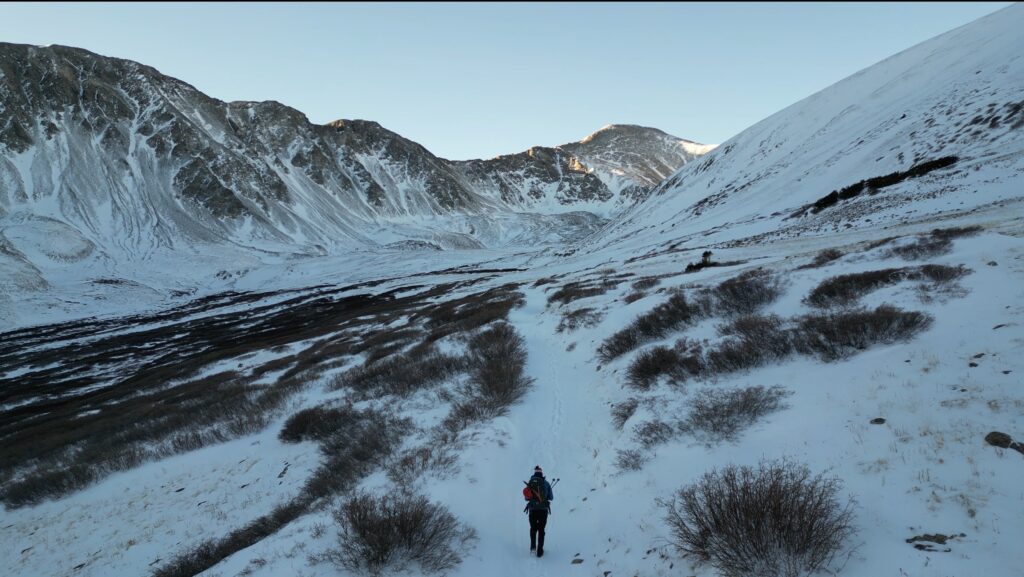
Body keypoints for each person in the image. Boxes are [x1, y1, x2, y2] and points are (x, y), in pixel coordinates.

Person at [523, 465, 554, 557]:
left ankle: (532, 548)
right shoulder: (546, 483)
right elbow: (551, 497)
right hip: (543, 510)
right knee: (541, 529)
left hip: (532, 509)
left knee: (533, 529)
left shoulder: (530, 483)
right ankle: (540, 551)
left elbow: (526, 498)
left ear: (534, 473)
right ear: (542, 473)